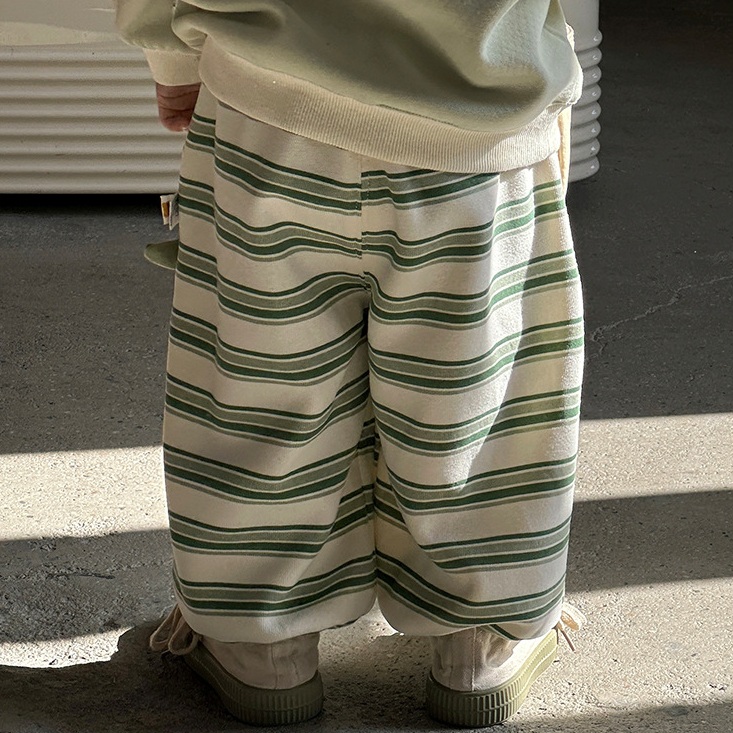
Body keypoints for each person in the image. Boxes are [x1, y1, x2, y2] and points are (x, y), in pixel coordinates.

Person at [115, 0, 585, 727]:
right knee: (475, 401)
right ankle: (482, 638)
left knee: (259, 386)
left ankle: (259, 644)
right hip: (475, 121)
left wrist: (169, 51)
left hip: (268, 113)